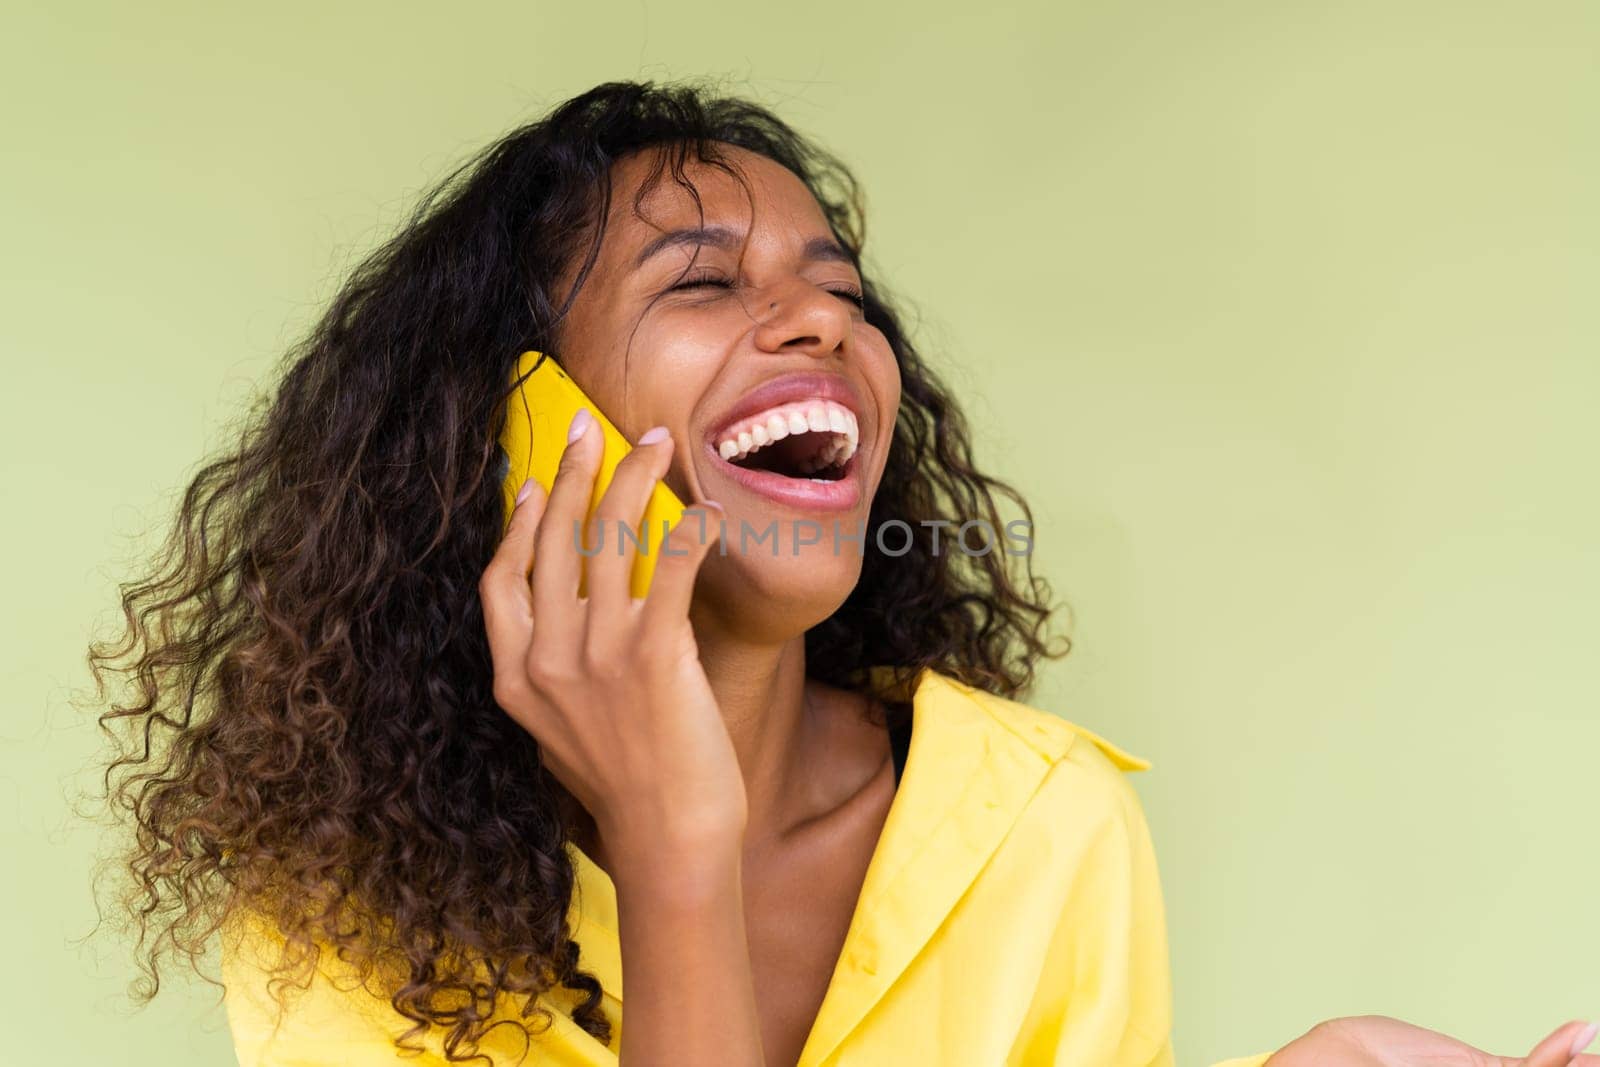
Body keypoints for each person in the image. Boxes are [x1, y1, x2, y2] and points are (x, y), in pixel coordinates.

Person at [90, 79, 1597, 1067]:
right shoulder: (343, 913)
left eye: (842, 294)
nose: (822, 327)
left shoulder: (1041, 824)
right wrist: (678, 839)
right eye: (703, 283)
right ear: (508, 429)